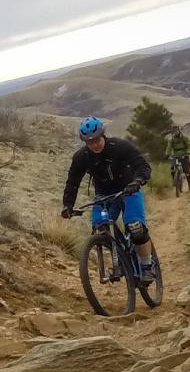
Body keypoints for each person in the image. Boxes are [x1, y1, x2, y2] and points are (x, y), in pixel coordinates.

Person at [60, 116, 157, 282]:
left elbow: (142, 165)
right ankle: (119, 256)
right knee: (100, 228)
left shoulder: (119, 147)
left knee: (135, 226)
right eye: (90, 142)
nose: (95, 144)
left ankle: (147, 265)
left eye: (97, 140)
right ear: (85, 142)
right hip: (103, 196)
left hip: (128, 190)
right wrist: (68, 205)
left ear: (103, 135)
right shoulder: (81, 157)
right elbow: (73, 182)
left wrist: (137, 181)